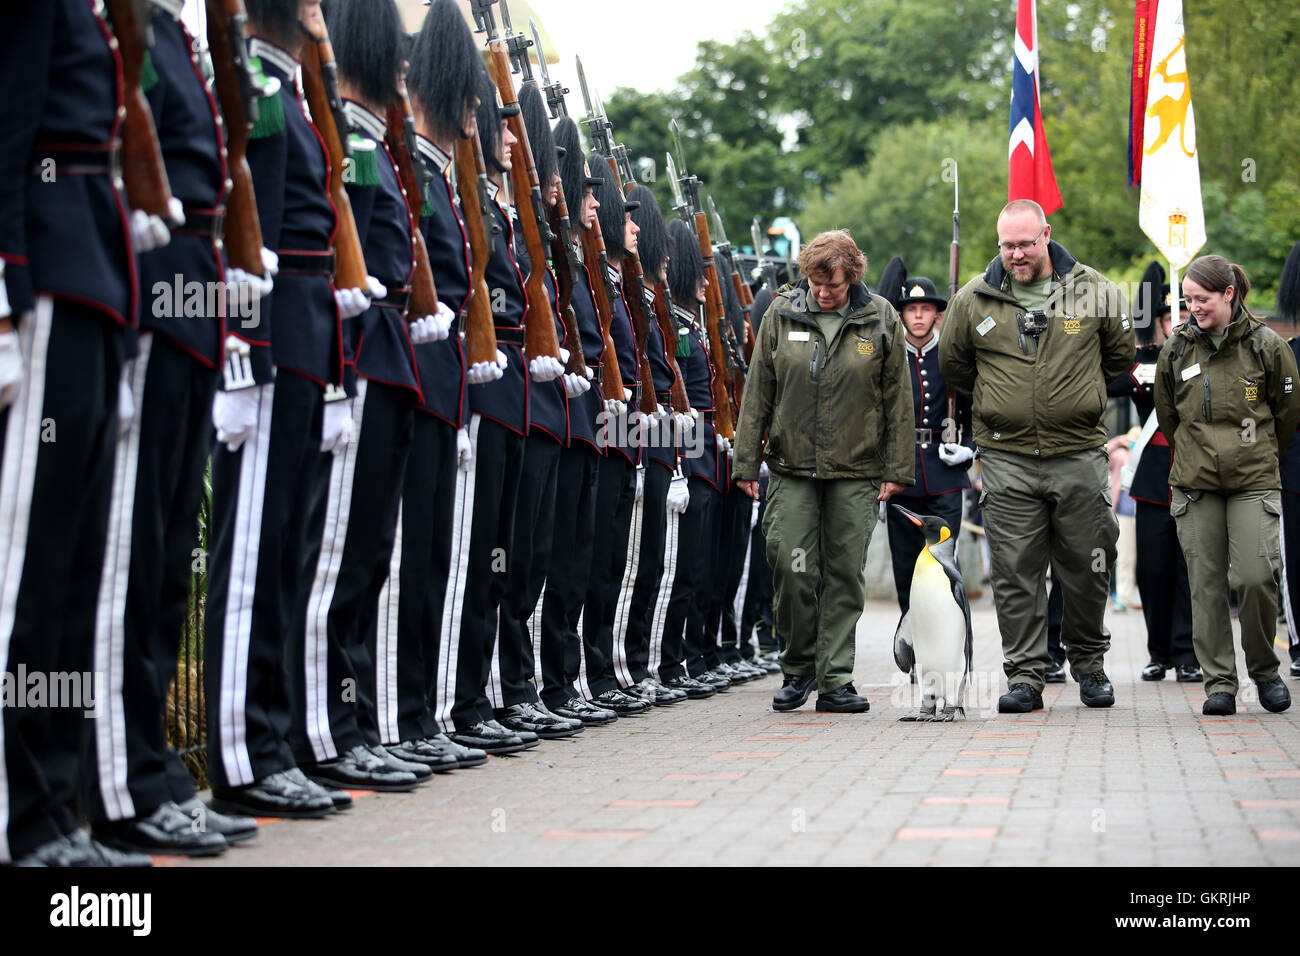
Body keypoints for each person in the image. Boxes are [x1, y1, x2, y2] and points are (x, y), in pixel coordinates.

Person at [87, 0, 266, 856]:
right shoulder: (135, 24)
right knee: (130, 560)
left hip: (192, 298)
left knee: (161, 570)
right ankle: (118, 786)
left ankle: (152, 772)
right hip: (148, 288)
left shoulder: (178, 33)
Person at [0, 0, 168, 867]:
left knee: (69, 580)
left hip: (97, 288)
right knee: (26, 573)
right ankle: (15, 812)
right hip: (48, 287)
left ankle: (51, 807)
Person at [939, 199, 1133, 713]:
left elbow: (1119, 357)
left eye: (1026, 243)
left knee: (1088, 565)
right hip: (1007, 457)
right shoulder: (973, 299)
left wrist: (1075, 397)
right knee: (1015, 570)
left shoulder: (1095, 292)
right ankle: (1025, 675)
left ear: (1046, 234)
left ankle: (1090, 665)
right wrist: (1005, 405)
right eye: (1007, 245)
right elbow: (955, 366)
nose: (1017, 254)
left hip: (1078, 452)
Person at [734, 230, 914, 714]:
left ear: (852, 276)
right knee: (790, 566)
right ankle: (797, 668)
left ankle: (835, 679)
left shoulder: (879, 318)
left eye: (831, 284)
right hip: (791, 467)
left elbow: (900, 397)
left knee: (843, 575)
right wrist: (746, 460)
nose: (822, 292)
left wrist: (898, 468)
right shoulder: (781, 312)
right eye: (814, 281)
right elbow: (758, 391)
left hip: (855, 471)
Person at [1154, 255, 1299, 715]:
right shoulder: (1176, 350)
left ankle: (1265, 670)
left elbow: (1287, 414)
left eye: (1202, 299)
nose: (1193, 308)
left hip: (1254, 479)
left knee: (1255, 576)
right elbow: (1168, 415)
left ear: (1229, 294)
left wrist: (1254, 453)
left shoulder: (1268, 347)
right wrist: (1198, 454)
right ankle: (1219, 682)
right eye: (1188, 300)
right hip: (1196, 485)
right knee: (1206, 584)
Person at [1109, 263, 1200, 682]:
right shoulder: (1141, 362)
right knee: (1154, 569)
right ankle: (1158, 651)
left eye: (1182, 316)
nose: (1176, 324)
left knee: (1189, 567)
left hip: (1195, 473)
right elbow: (1105, 383)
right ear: (1159, 321)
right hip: (1152, 477)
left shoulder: (1204, 356)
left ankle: (1187, 654)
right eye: (1169, 319)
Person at [885, 276, 974, 615]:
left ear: (937, 315)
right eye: (912, 310)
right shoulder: (890, 357)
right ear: (902, 315)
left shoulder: (952, 356)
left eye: (926, 309)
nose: (919, 316)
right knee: (906, 567)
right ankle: (912, 645)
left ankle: (954, 643)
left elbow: (974, 411)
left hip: (944, 472)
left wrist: (968, 447)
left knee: (946, 563)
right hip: (902, 474)